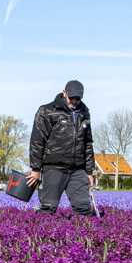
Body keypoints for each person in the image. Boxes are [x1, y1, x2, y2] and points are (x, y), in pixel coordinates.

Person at [27, 79, 95, 216]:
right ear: (64, 93)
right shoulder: (47, 111)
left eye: (78, 98)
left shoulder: (84, 114)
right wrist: (35, 169)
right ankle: (41, 235)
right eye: (72, 97)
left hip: (78, 169)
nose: (75, 101)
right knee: (48, 209)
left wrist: (89, 172)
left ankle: (81, 236)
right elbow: (37, 141)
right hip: (54, 167)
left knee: (84, 210)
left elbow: (87, 143)